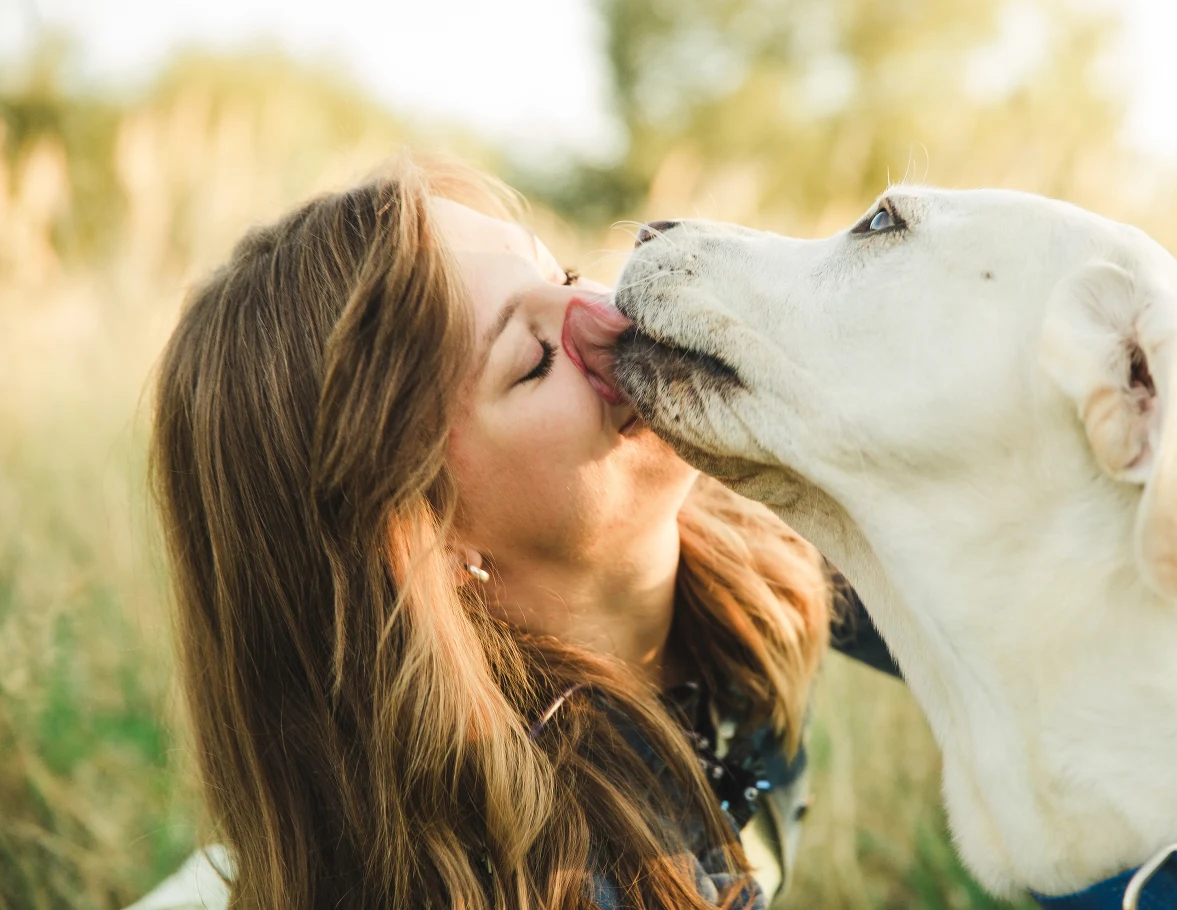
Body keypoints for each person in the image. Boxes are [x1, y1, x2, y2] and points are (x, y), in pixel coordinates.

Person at [137, 155, 898, 910]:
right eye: (533, 360)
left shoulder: (767, 515)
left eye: (564, 276)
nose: (609, 313)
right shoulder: (540, 876)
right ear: (425, 545)